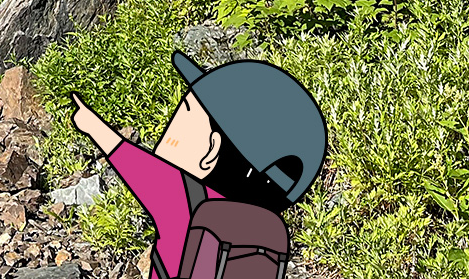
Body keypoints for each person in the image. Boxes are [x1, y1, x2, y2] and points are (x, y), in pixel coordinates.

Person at [70, 52, 326, 279]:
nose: (170, 126)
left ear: (211, 151)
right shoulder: (270, 229)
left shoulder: (181, 196)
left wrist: (91, 125)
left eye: (185, 112)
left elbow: (132, 161)